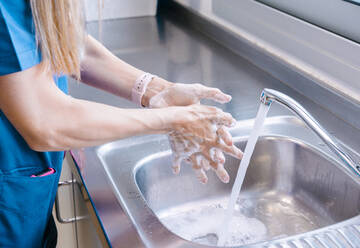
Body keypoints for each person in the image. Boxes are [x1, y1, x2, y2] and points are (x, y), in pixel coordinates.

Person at [0, 0, 243, 247]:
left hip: (25, 202)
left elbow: (60, 40)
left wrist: (158, 91)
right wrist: (174, 120)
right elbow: (47, 121)